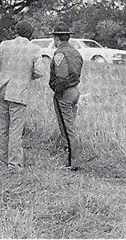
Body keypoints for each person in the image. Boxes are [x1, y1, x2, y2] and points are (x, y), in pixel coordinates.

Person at [0, 20, 44, 171]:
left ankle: (1, 160)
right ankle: (14, 164)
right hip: (19, 92)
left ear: (16, 31)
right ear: (30, 34)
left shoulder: (5, 44)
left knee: (2, 128)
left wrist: (0, 74)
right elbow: (40, 71)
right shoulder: (35, 49)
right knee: (15, 130)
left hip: (2, 89)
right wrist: (27, 76)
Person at [49, 23, 83, 171]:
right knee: (71, 125)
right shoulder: (76, 52)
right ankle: (72, 158)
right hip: (75, 90)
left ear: (57, 38)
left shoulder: (60, 54)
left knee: (67, 128)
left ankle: (72, 162)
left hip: (65, 92)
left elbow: (61, 76)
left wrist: (57, 90)